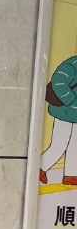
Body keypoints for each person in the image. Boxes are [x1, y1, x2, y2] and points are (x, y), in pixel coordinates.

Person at [41, 52, 77, 185]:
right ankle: (41, 167)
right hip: (64, 112)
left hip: (75, 114)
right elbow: (58, 81)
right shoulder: (73, 64)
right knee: (59, 144)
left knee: (75, 145)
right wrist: (71, 100)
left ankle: (70, 175)